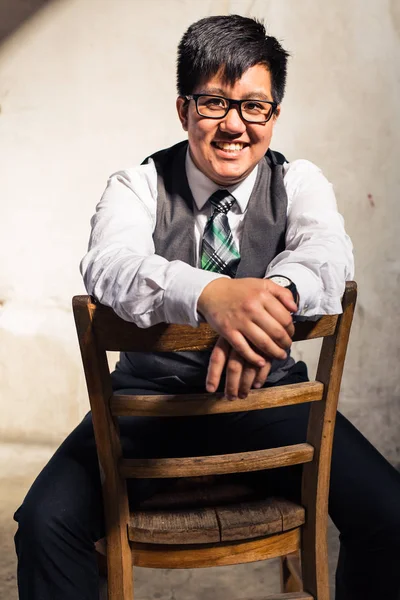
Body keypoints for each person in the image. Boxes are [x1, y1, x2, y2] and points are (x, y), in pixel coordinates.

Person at [14, 14, 400, 600]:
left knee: (390, 514)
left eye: (255, 107)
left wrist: (265, 312)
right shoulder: (137, 185)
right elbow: (108, 265)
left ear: (274, 113)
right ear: (183, 109)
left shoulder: (299, 182)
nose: (235, 126)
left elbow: (329, 255)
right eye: (214, 102)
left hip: (269, 398)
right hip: (148, 408)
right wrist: (209, 296)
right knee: (45, 524)